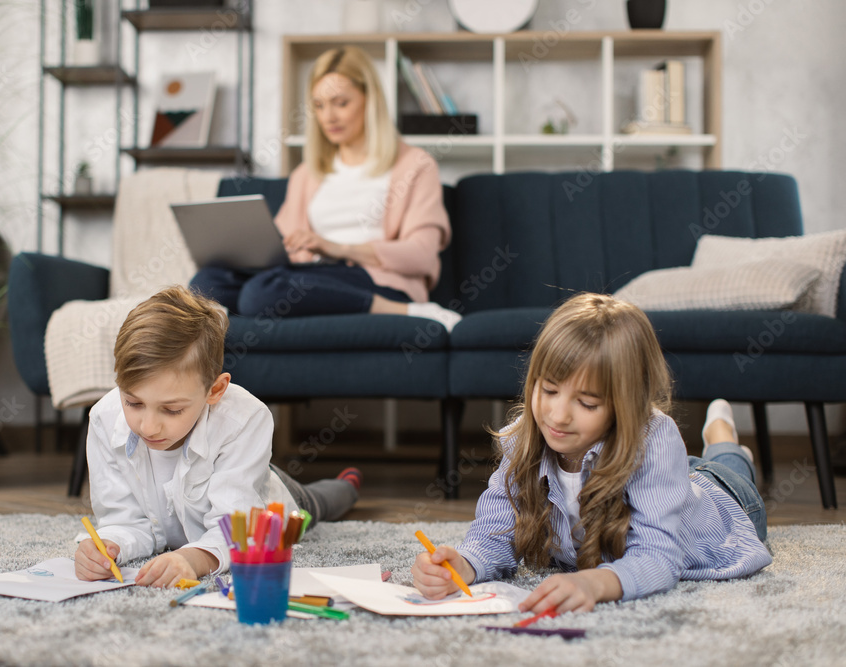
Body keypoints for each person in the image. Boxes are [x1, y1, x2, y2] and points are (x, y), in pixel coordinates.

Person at [411, 293, 772, 612]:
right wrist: (466, 563)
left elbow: (659, 557)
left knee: (727, 469)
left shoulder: (656, 439)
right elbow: (496, 528)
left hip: (724, 501)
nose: (558, 415)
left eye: (585, 402)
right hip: (673, 478)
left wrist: (594, 583)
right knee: (697, 470)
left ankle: (723, 437)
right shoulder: (526, 436)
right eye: (549, 390)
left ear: (625, 405)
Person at [74, 285, 362, 586]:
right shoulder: (104, 419)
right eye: (133, 403)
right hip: (233, 468)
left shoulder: (244, 419)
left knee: (317, 504)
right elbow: (123, 520)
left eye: (171, 410)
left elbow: (236, 531)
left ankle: (348, 485)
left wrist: (193, 559)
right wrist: (107, 545)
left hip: (265, 492)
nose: (147, 427)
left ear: (215, 390)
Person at [189, 46, 462, 332]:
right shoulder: (307, 173)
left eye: (340, 103)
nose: (328, 116)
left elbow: (421, 255)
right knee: (206, 282)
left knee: (262, 293)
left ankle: (406, 311)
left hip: (376, 279)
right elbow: (284, 245)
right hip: (310, 275)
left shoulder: (415, 165)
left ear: (370, 101)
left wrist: (337, 247)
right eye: (319, 105)